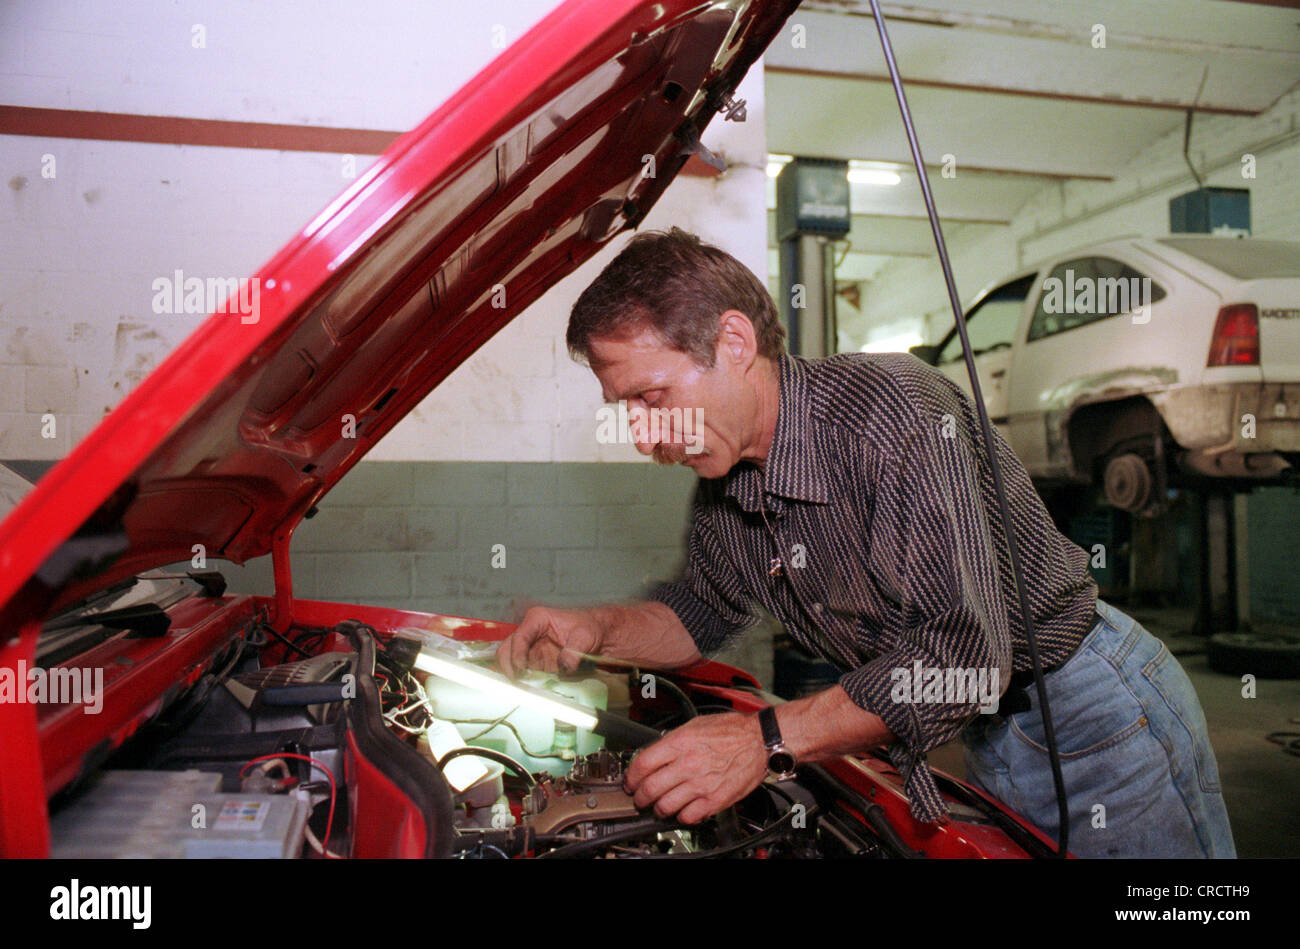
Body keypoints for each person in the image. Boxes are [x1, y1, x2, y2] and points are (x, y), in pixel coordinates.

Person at [496, 227, 1235, 858]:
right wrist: (594, 629)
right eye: (625, 408)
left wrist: (764, 738)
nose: (642, 433)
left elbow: (967, 658)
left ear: (733, 341)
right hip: (989, 731)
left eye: (651, 398)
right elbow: (696, 612)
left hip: (1092, 708)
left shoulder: (894, 414)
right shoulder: (728, 479)